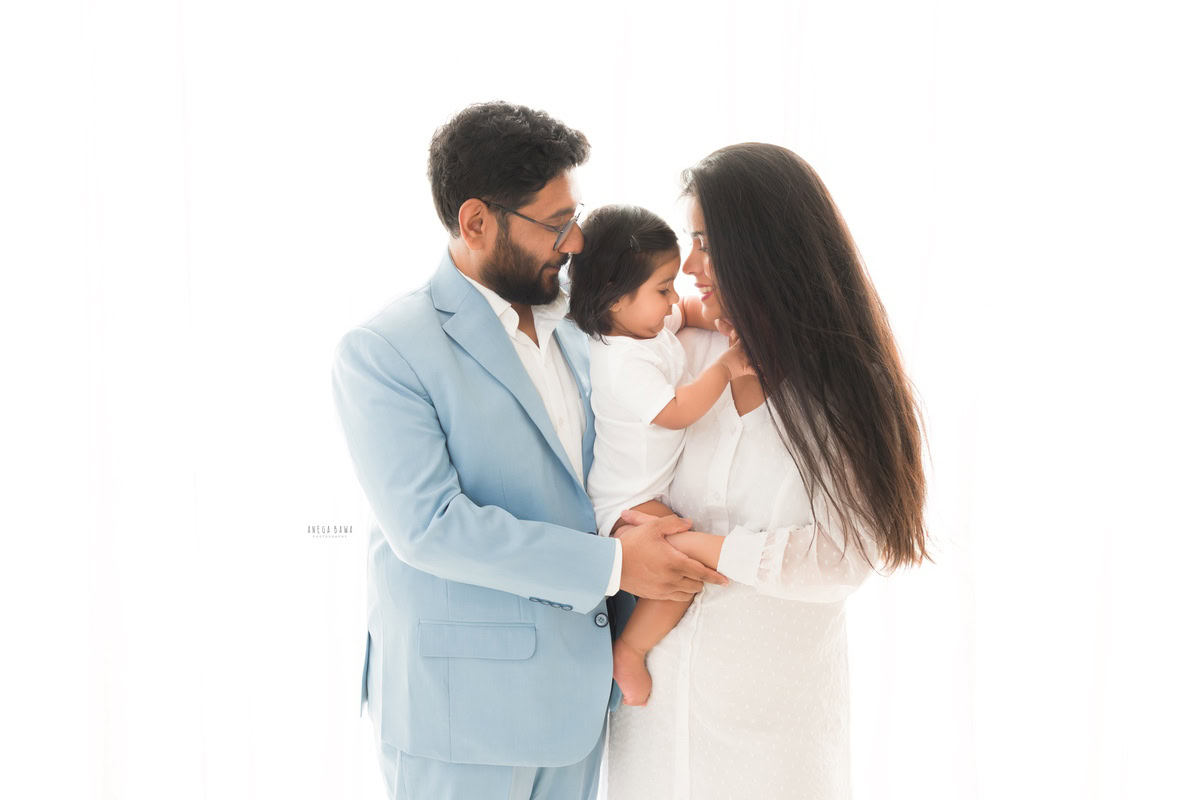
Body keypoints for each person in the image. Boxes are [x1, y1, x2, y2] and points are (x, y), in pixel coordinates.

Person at [329, 102, 728, 800]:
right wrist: (613, 561)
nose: (575, 242)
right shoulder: (384, 350)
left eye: (576, 216)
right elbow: (429, 527)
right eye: (555, 224)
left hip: (579, 704)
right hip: (460, 720)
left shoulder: (591, 318)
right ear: (476, 222)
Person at [604, 143, 931, 800]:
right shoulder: (677, 355)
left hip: (775, 740)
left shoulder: (844, 389)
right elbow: (617, 468)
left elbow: (847, 555)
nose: (689, 266)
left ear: (761, 248)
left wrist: (696, 550)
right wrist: (621, 539)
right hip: (652, 720)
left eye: (705, 242)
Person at [566, 204, 753, 707]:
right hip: (627, 500)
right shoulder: (620, 359)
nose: (674, 298)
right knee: (678, 571)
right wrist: (727, 366)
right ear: (615, 299)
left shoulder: (642, 325)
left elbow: (688, 312)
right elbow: (676, 410)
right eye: (663, 288)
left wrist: (719, 317)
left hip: (645, 489)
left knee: (680, 561)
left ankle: (631, 645)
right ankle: (630, 649)